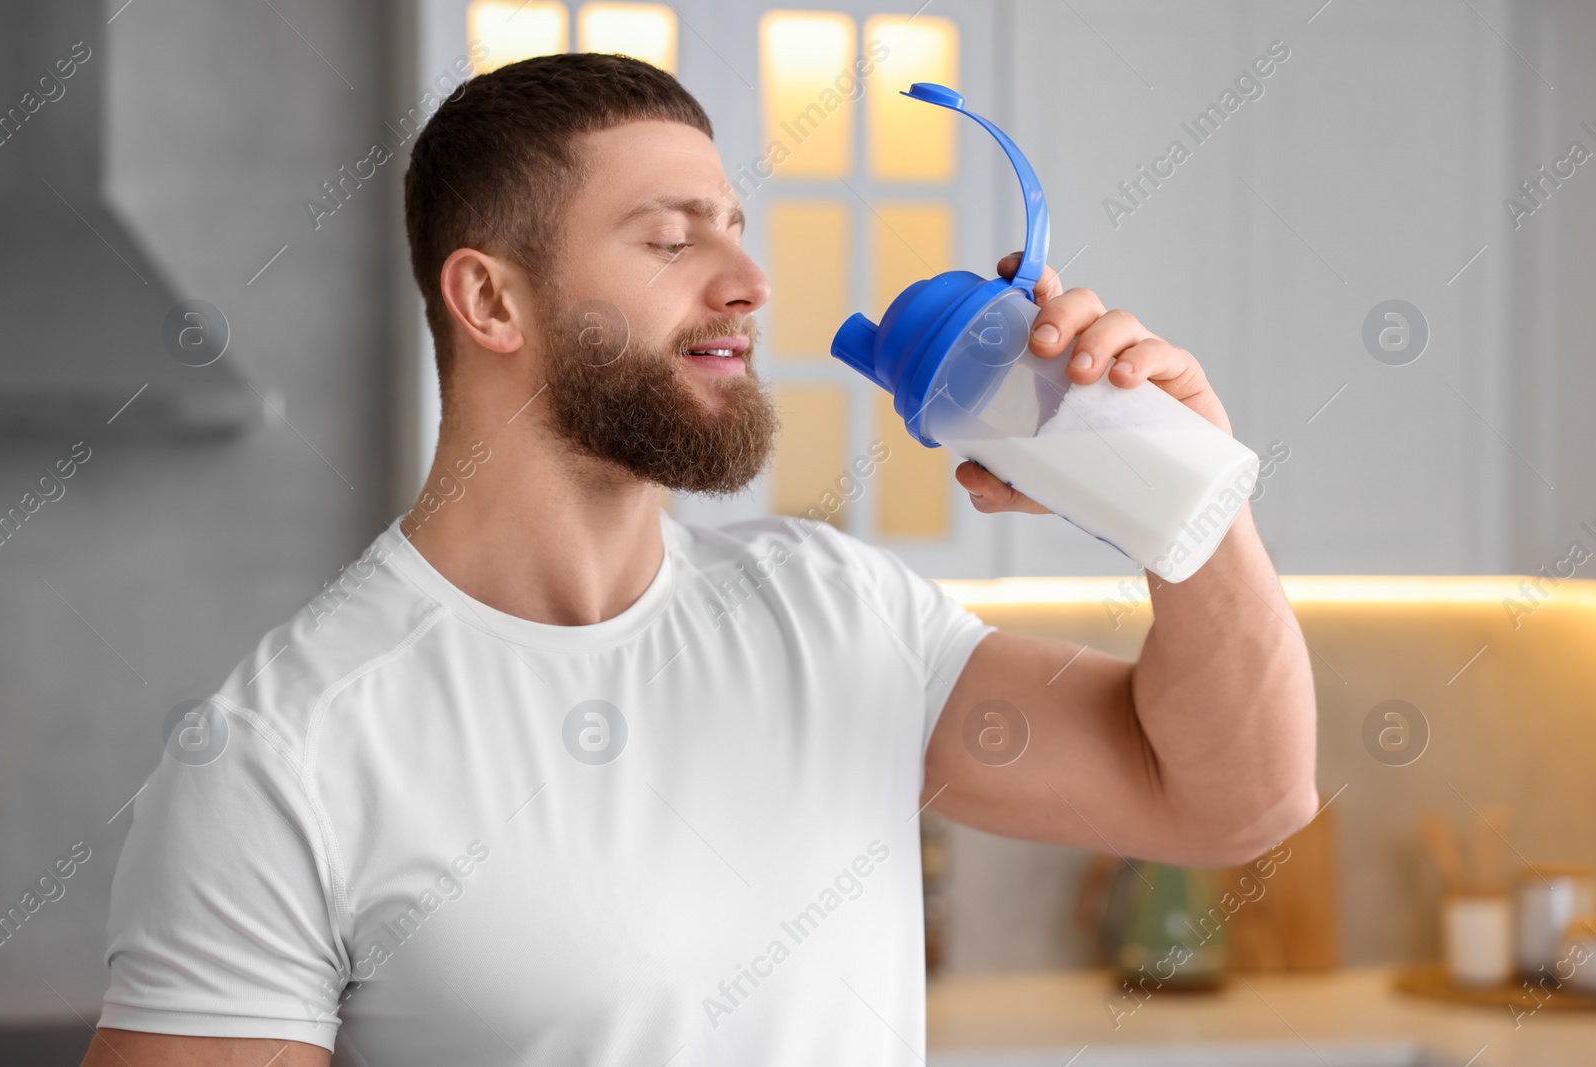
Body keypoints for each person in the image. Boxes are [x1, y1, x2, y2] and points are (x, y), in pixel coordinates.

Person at [82, 52, 1317, 1067]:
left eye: (734, 228)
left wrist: (1182, 497)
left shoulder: (832, 612)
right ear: (492, 303)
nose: (748, 283)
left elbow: (1233, 800)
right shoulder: (286, 752)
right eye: (674, 242)